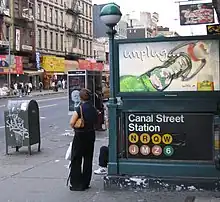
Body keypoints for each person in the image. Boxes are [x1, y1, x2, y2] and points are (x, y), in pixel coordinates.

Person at [68, 88, 98, 191]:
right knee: (88, 159)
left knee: (76, 159)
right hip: (90, 135)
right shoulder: (93, 108)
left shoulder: (79, 108)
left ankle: (76, 183)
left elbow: (72, 123)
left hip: (80, 136)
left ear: (81, 98)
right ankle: (86, 182)